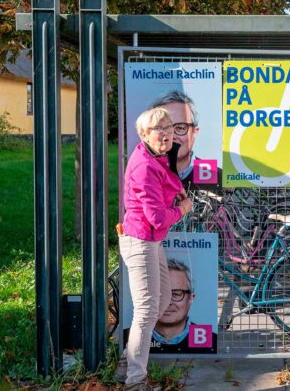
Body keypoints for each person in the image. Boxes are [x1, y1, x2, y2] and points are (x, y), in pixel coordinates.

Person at [116, 107, 193, 390]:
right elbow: (158, 217)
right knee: (148, 310)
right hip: (140, 241)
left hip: (151, 240)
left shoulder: (155, 156)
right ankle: (135, 381)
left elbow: (167, 179)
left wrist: (179, 191)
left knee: (160, 303)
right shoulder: (145, 165)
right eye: (159, 129)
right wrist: (183, 208)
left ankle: (125, 364)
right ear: (143, 134)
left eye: (170, 127)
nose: (167, 134)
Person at [149, 90, 221, 187]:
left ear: (194, 132)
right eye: (163, 128)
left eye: (180, 128)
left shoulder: (218, 177)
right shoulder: (143, 174)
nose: (172, 136)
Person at [150, 258, 216, 353]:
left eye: (176, 294)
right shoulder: (132, 338)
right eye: (161, 294)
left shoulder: (210, 341)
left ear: (191, 298)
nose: (168, 302)